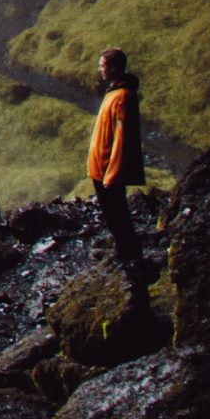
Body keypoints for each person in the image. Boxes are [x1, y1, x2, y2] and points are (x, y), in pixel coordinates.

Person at [88, 47, 154, 299]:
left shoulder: (123, 96)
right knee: (114, 217)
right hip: (101, 168)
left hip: (107, 171)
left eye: (102, 65)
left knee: (118, 217)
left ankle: (131, 263)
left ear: (114, 67)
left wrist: (112, 173)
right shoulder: (114, 93)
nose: (100, 70)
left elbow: (122, 139)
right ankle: (126, 258)